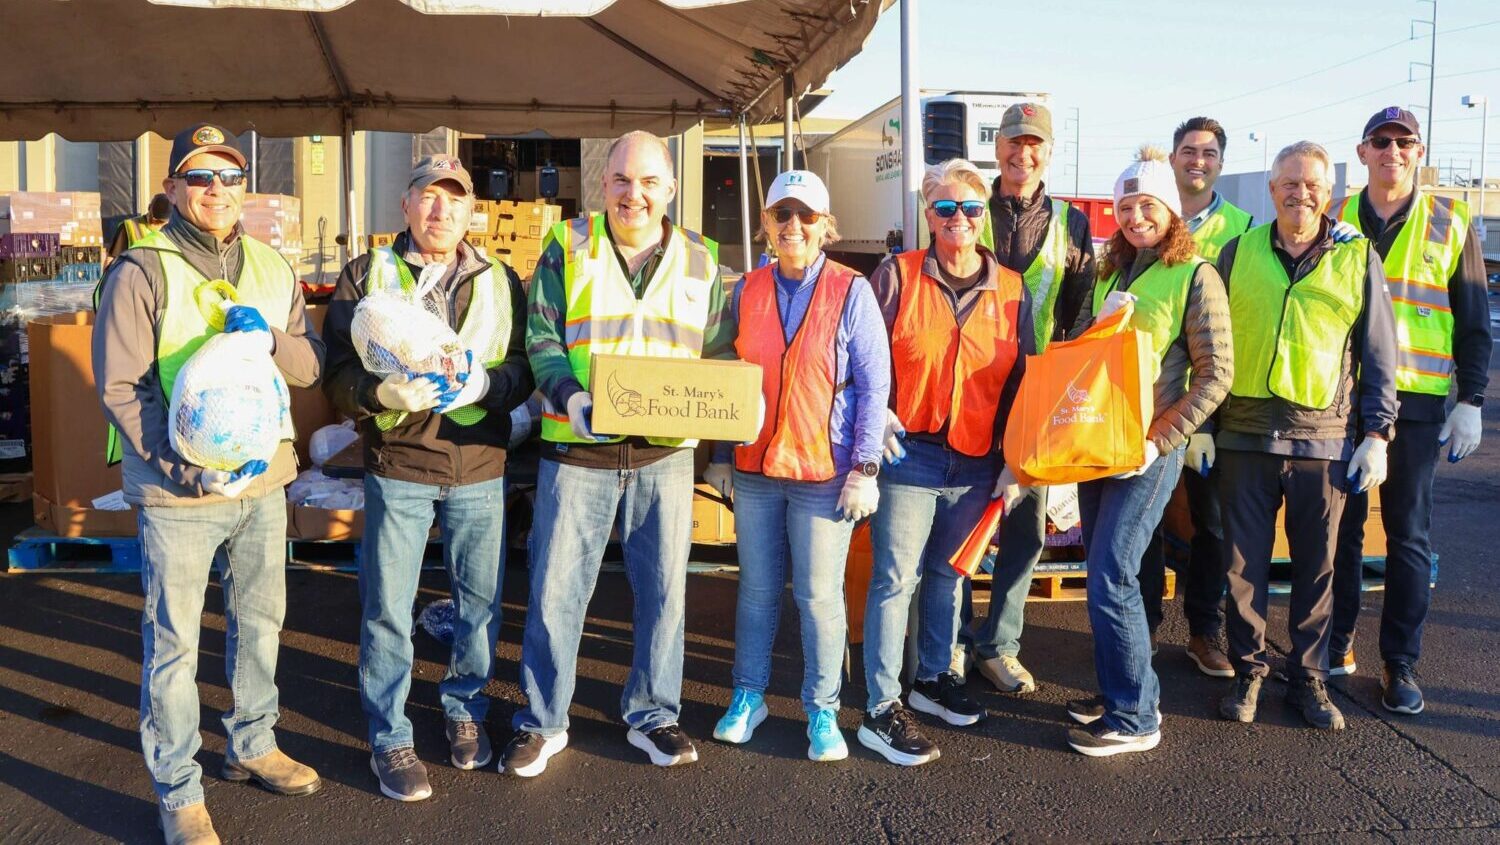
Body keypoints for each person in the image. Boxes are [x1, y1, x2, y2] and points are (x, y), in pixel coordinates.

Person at [93, 124, 324, 845]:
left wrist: (274, 340)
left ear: (244, 189)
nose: (216, 190)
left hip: (261, 485)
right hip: (178, 493)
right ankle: (178, 788)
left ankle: (253, 742)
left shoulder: (273, 267)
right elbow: (123, 387)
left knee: (260, 624)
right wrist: (187, 467)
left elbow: (309, 367)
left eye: (228, 176)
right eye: (199, 177)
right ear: (170, 189)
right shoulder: (141, 269)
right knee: (175, 644)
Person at [504, 130, 732, 776]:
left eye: (650, 182)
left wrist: (729, 417)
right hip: (578, 449)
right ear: (603, 184)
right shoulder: (567, 246)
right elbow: (541, 336)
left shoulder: (702, 259)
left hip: (665, 457)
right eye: (623, 181)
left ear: (671, 188)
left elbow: (717, 354)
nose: (636, 194)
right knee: (555, 590)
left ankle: (654, 712)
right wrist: (571, 396)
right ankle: (542, 720)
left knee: (664, 592)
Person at [322, 155, 533, 801]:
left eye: (454, 199)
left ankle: (464, 705)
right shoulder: (366, 275)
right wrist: (376, 388)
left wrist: (486, 384)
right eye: (428, 197)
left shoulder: (501, 279)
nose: (441, 210)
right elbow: (334, 376)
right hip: (401, 464)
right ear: (407, 205)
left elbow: (523, 367)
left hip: (478, 464)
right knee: (388, 607)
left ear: (473, 211)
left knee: (479, 606)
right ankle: (390, 734)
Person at [703, 171, 890, 762]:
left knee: (817, 596)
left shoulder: (851, 290)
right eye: (782, 215)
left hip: (823, 472)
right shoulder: (746, 289)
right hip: (757, 469)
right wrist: (721, 455)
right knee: (756, 592)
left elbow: (873, 382)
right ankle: (749, 695)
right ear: (765, 222)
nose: (794, 227)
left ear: (825, 226)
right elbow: (722, 375)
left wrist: (865, 466)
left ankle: (822, 708)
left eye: (806, 217)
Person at [1214, 141, 1399, 732]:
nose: (1300, 193)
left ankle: (1309, 677)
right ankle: (1248, 670)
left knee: (1318, 567)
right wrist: (1203, 426)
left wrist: (1378, 433)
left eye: (1312, 184)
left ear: (1328, 193)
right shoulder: (1235, 252)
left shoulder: (1355, 257)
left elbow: (1378, 351)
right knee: (1242, 566)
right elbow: (1206, 341)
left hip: (1323, 437)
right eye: (1289, 183)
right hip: (1244, 433)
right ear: (1272, 191)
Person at [1063, 147, 1233, 757]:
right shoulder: (1111, 273)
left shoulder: (1196, 275)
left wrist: (1159, 439)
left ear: (1170, 211)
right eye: (1126, 206)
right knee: (1113, 575)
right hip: (1098, 447)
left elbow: (1216, 375)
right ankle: (1120, 695)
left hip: (1146, 453)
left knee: (1112, 572)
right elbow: (1081, 360)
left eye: (1148, 205)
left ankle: (1135, 719)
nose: (1136, 216)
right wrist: (1095, 325)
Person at [860, 159, 1029, 767]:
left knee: (950, 575)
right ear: (927, 215)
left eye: (970, 208)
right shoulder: (896, 276)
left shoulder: (1011, 288)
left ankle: (932, 678)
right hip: (911, 455)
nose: (958, 219)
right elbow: (863, 358)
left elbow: (1024, 384)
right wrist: (872, 417)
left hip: (980, 460)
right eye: (945, 208)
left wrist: (1017, 461)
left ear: (985, 215)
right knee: (894, 579)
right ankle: (881, 704)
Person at [1326, 107, 1492, 714]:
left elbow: (1473, 321)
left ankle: (1401, 663)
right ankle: (1336, 642)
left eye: (1404, 142)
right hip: (1343, 399)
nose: (1392, 151)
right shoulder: (1336, 217)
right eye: (1381, 142)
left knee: (1408, 537)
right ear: (1363, 151)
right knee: (1339, 533)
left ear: (1418, 153)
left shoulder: (1450, 222)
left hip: (1418, 406)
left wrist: (1470, 400)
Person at [964, 101, 1095, 695]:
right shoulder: (968, 208)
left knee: (1026, 529)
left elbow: (1078, 314)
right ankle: (952, 639)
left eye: (1034, 143)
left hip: (1035, 396)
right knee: (959, 522)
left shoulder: (1072, 223)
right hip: (966, 390)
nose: (1024, 153)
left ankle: (1000, 645)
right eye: (1014, 142)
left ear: (1048, 150)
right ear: (998, 147)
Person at [1136, 117, 1255, 677]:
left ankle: (1204, 630)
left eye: (1208, 152)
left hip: (1205, 410)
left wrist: (1206, 420)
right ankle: (1141, 629)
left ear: (1221, 163)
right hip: (1149, 410)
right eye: (1187, 151)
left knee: (1210, 524)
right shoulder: (1147, 220)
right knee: (1147, 527)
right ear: (1173, 161)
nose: (1197, 161)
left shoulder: (1243, 230)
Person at [105, 193, 173, 268]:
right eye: (153, 219)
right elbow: (111, 259)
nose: (155, 224)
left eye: (160, 222)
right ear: (149, 207)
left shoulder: (172, 231)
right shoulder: (129, 227)